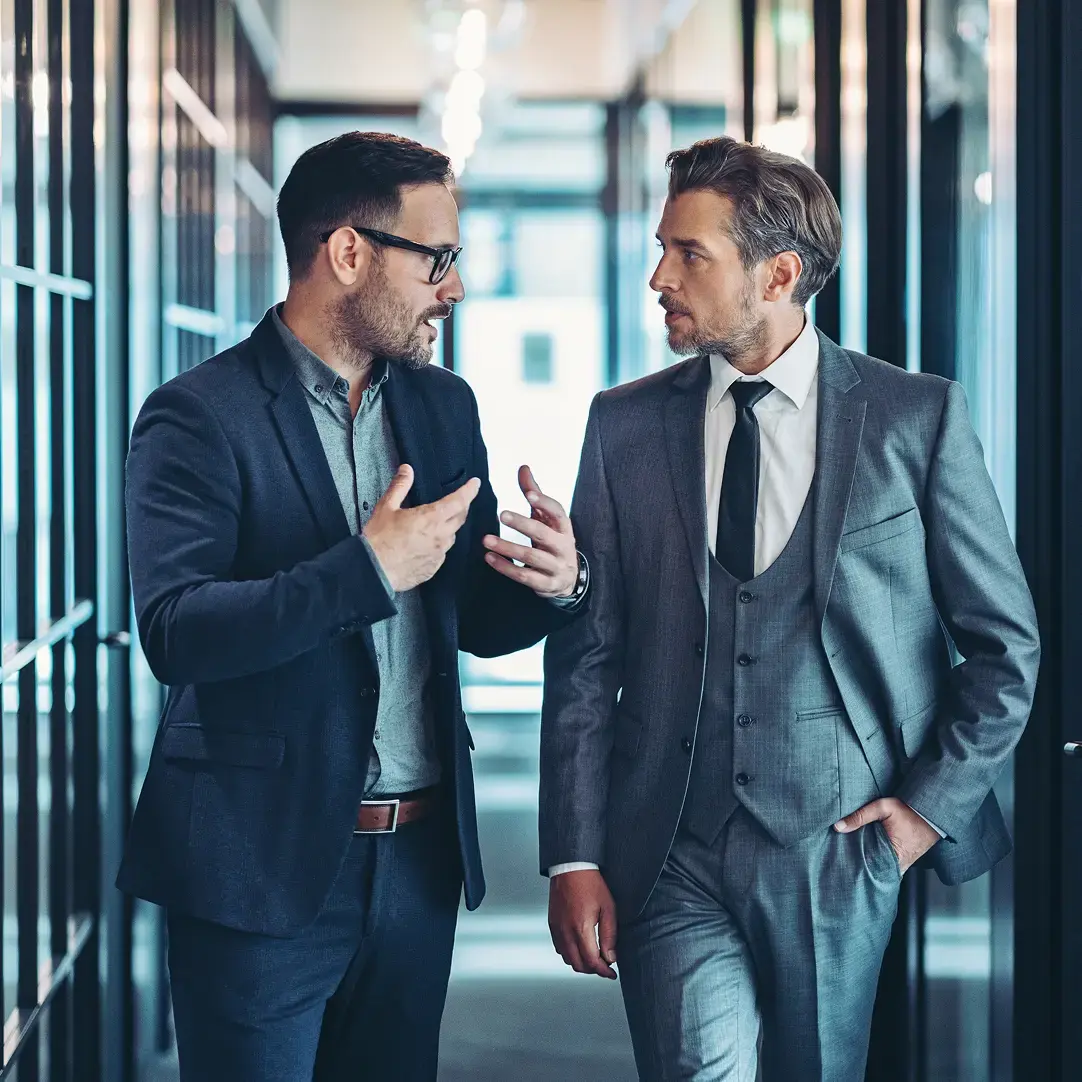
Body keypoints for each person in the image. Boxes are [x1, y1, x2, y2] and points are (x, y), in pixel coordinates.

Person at [539, 136, 1040, 1081]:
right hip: (668, 840)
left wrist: (922, 816)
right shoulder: (624, 424)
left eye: (690, 254)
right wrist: (572, 853)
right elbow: (588, 655)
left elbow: (1004, 646)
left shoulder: (913, 418)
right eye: (663, 247)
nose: (659, 276)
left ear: (778, 274)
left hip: (838, 845)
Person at [118, 131, 589, 1082]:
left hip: (416, 864)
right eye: (438, 259)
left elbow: (468, 620)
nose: (452, 288)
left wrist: (553, 584)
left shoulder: (443, 407)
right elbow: (177, 630)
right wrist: (363, 570)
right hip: (259, 865)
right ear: (347, 253)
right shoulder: (198, 415)